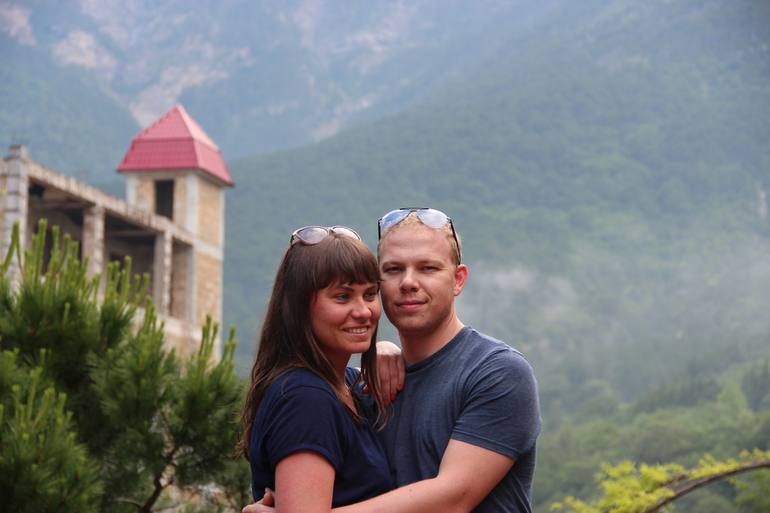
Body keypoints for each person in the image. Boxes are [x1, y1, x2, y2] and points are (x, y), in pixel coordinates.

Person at [246, 208, 541, 513]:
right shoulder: (358, 390)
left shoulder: (497, 373)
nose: (408, 282)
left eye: (427, 268)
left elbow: (453, 499)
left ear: (458, 279)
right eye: (393, 269)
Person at [237, 225, 392, 512]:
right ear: (299, 306)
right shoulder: (306, 398)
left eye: (370, 294)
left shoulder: (348, 385)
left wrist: (390, 351)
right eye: (342, 296)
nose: (363, 311)